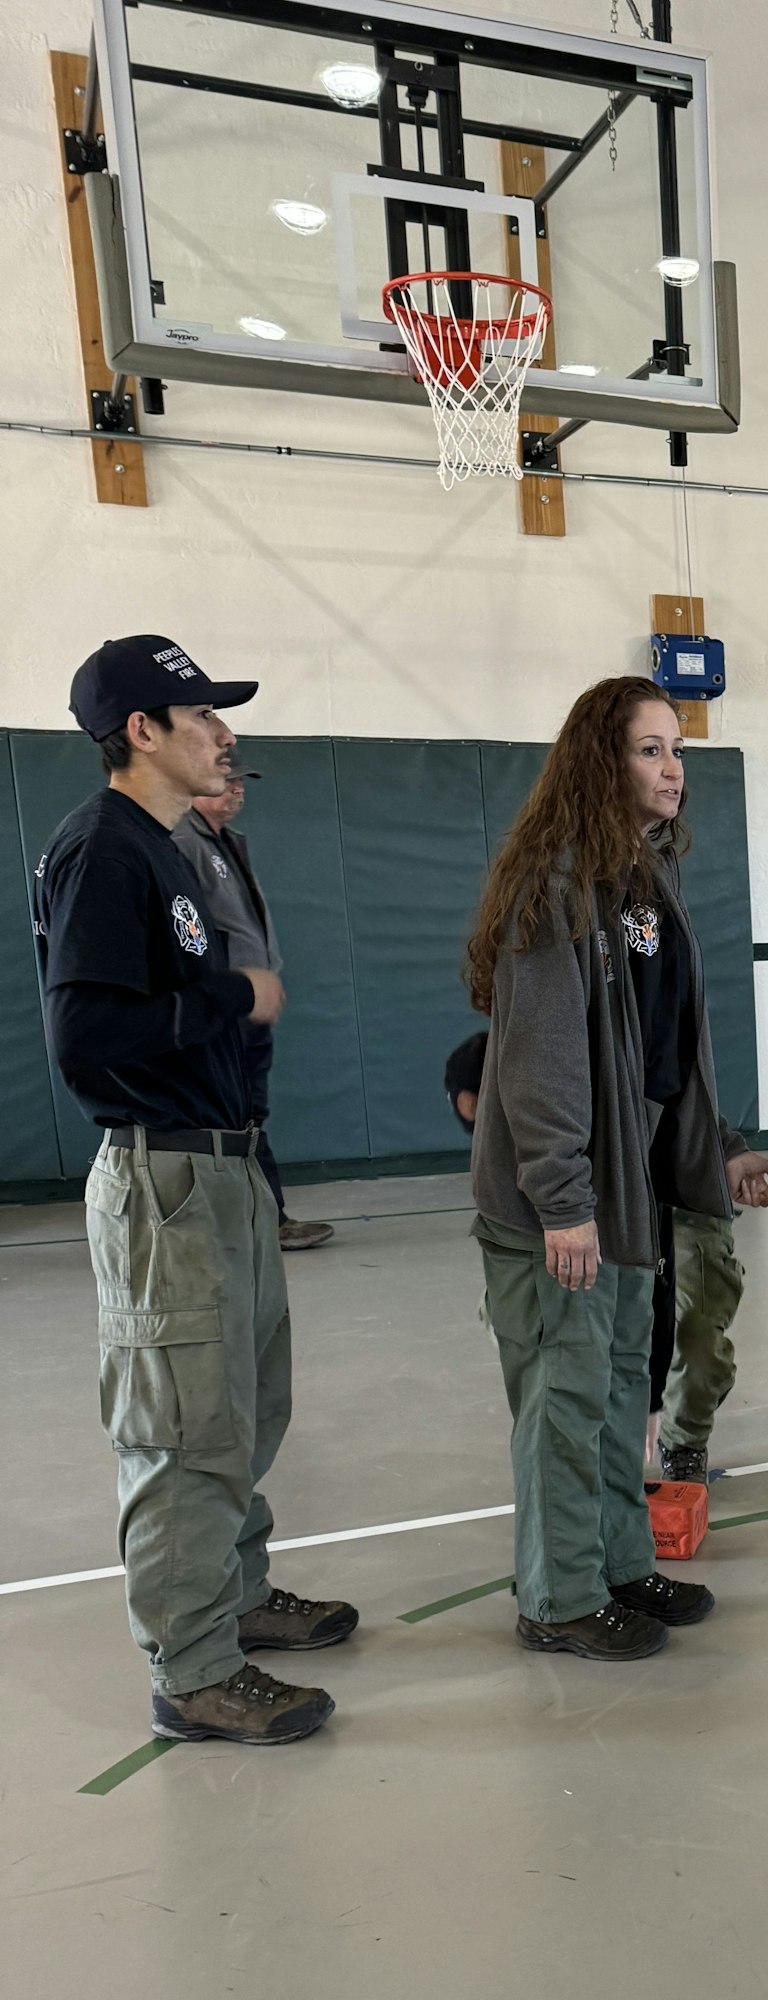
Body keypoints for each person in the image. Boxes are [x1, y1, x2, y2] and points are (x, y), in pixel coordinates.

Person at [34, 634, 356, 1745]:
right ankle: (191, 1667)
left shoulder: (168, 846)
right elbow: (84, 1038)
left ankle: (235, 1596)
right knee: (184, 1430)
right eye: (202, 715)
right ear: (143, 731)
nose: (222, 732)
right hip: (163, 1171)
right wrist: (230, 995)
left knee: (247, 1404)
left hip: (223, 1163)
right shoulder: (105, 852)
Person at [465, 676, 768, 1661]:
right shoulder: (553, 883)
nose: (673, 767)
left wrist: (717, 1145)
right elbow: (542, 1058)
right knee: (564, 1399)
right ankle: (558, 1596)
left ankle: (617, 1559)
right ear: (602, 761)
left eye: (677, 748)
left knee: (614, 1393)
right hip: (561, 1199)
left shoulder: (646, 879)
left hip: (631, 1187)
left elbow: (667, 1044)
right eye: (650, 749)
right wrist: (564, 1200)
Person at [444, 1029, 753, 1485]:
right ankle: (592, 1445)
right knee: (537, 1326)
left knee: (696, 1337)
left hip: (676, 1193)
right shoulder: (503, 1058)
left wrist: (728, 1150)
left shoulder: (614, 1016)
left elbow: (683, 1083)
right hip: (593, 1201)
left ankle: (683, 1443)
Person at [171, 750, 334, 1251]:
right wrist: (231, 990)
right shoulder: (184, 843)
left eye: (242, 781)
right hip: (227, 1008)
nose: (238, 788)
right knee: (234, 1115)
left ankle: (264, 1218)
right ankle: (259, 1222)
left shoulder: (223, 843)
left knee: (248, 1114)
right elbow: (189, 931)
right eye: (229, 778)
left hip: (246, 1007)